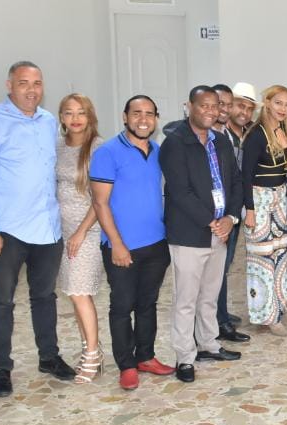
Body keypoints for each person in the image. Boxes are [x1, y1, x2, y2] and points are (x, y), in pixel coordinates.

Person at [0, 60, 73, 396]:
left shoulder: (49, 122)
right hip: (7, 231)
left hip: (47, 227)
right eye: (24, 83)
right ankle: (2, 367)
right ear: (9, 85)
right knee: (1, 302)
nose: (31, 90)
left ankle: (49, 357)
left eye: (37, 83)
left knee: (45, 297)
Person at [89, 95, 175, 391]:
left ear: (156, 119)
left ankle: (146, 356)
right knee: (122, 306)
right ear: (125, 117)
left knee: (148, 304)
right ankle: (126, 365)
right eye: (136, 113)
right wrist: (116, 244)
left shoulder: (157, 151)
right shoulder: (107, 152)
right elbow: (100, 203)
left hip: (156, 243)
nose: (143, 119)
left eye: (149, 113)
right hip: (122, 246)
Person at [159, 86, 243, 384]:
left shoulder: (221, 141)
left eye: (214, 106)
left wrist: (230, 218)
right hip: (189, 233)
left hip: (220, 231)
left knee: (209, 294)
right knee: (186, 299)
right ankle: (184, 356)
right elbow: (180, 192)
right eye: (203, 105)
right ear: (189, 107)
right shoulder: (175, 143)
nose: (210, 111)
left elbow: (236, 182)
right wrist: (213, 222)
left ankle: (208, 344)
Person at [55, 93, 105, 383]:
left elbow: (101, 199)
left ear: (90, 116)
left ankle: (93, 356)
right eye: (69, 113)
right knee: (74, 294)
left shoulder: (98, 148)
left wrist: (81, 231)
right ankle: (88, 347)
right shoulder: (58, 146)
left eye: (81, 112)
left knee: (78, 292)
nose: (75, 119)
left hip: (87, 229)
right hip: (61, 230)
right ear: (61, 117)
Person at [241, 85, 287, 337]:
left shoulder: (284, 130)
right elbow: (245, 175)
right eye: (278, 103)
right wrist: (250, 210)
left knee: (280, 255)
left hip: (279, 199)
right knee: (261, 259)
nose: (283, 108)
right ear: (267, 103)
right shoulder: (256, 134)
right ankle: (264, 314)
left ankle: (278, 308)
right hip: (259, 199)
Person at [209, 84, 248, 342]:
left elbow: (235, 179)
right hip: (210, 218)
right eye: (218, 104)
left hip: (229, 215)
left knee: (222, 268)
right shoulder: (202, 136)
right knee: (212, 272)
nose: (223, 109)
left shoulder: (227, 136)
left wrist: (233, 215)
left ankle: (219, 314)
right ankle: (217, 322)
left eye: (227, 104)